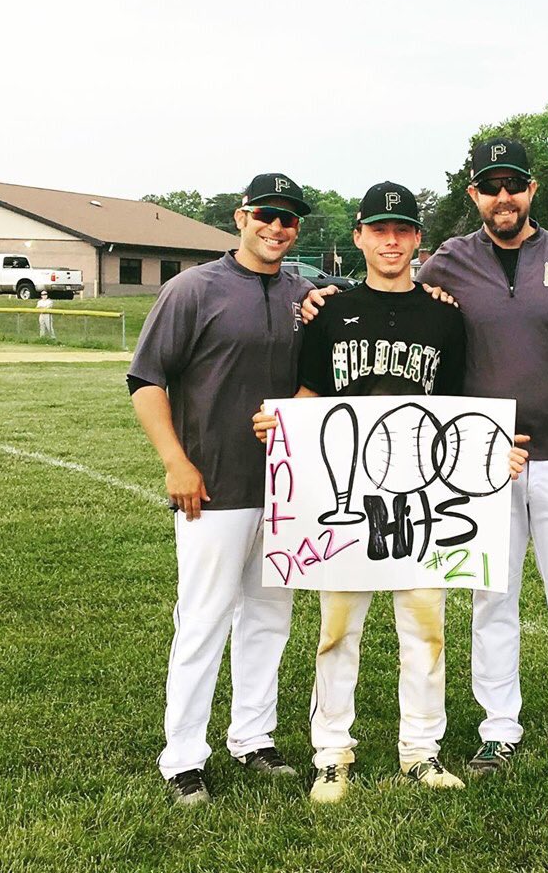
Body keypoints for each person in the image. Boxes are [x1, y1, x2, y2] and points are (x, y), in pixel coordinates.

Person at [254, 181, 526, 804]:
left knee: (424, 628)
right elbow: (311, 397)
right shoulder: (329, 313)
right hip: (346, 499)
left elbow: (458, 408)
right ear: (359, 236)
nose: (392, 240)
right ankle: (331, 751)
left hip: (422, 500)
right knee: (336, 630)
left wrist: (492, 448)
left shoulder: (445, 314)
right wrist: (280, 426)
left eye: (403, 229)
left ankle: (422, 750)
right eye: (379, 229)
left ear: (418, 239)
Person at [417, 138, 548, 799]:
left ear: (531, 190)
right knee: (492, 599)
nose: (502, 197)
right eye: (490, 186)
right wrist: (316, 300)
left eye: (513, 184)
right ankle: (498, 726)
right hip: (482, 459)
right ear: (473, 195)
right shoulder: (447, 263)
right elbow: (393, 299)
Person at [128, 173, 315, 806]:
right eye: (267, 214)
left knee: (269, 617)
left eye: (288, 220)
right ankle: (183, 755)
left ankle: (254, 738)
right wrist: (176, 462)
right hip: (211, 485)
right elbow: (147, 380)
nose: (277, 228)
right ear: (241, 217)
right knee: (204, 620)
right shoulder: (193, 288)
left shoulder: (305, 293)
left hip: (288, 491)